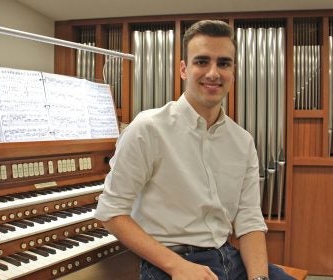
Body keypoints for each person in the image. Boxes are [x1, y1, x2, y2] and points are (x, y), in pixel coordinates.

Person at [94, 20, 294, 280]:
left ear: (233, 71)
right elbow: (111, 213)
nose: (213, 73)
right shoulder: (148, 128)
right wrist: (178, 267)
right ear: (184, 69)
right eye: (202, 61)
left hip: (230, 257)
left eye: (223, 63)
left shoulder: (242, 141)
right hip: (171, 263)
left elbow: (249, 222)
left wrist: (258, 278)